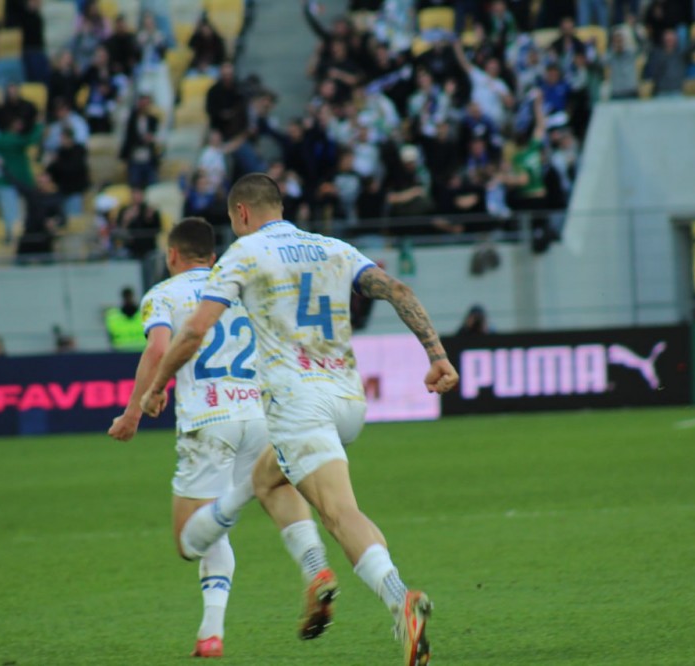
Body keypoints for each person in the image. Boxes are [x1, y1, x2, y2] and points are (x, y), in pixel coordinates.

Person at [141, 174, 460, 666]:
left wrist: (157, 385)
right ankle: (312, 572)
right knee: (268, 478)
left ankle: (400, 599)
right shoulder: (331, 246)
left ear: (241, 213)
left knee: (339, 513)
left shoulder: (245, 253)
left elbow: (194, 331)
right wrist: (436, 355)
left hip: (299, 403)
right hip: (347, 399)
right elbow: (396, 289)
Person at [107, 218, 280, 658]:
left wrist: (135, 410)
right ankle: (210, 632)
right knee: (216, 525)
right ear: (213, 256)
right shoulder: (239, 288)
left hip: (210, 421)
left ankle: (236, 502)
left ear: (171, 255)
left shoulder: (164, 294)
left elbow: (158, 349)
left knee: (191, 538)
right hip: (258, 417)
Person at [104, 286, 148, 352]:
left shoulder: (145, 314)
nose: (128, 299)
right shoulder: (112, 316)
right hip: (121, 353)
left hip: (142, 352)